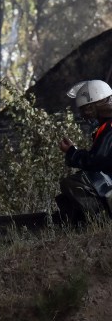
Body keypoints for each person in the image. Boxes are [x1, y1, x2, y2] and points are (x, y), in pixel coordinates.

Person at [56, 79, 112, 223]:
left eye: (88, 109)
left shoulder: (108, 127)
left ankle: (100, 220)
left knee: (74, 182)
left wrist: (71, 152)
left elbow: (95, 161)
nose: (86, 114)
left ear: (98, 105)